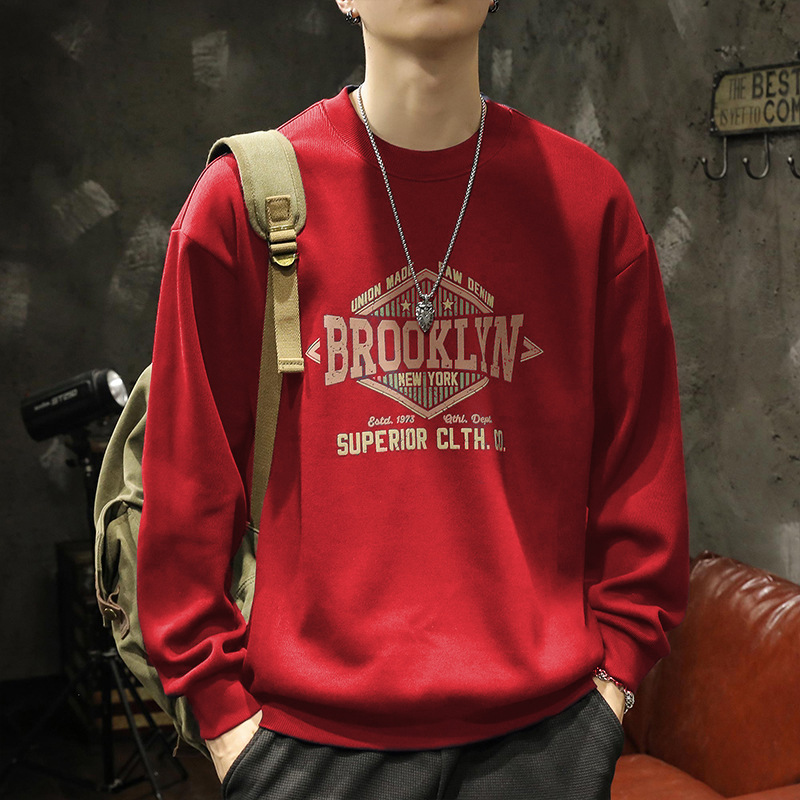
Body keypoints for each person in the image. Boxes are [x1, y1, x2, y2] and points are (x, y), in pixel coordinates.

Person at [137, 1, 690, 798]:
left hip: (546, 742)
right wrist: (225, 723)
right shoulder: (242, 206)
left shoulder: (586, 204)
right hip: (307, 749)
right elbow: (186, 483)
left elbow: (642, 466)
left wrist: (615, 684)